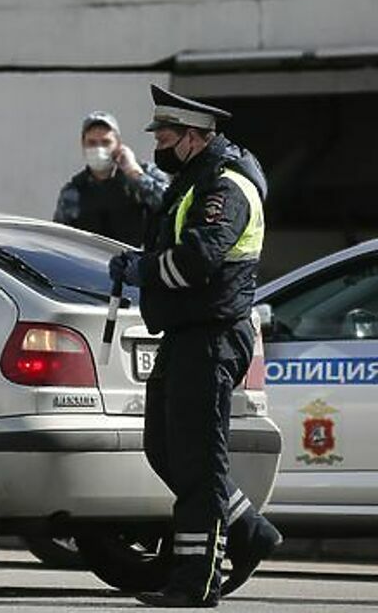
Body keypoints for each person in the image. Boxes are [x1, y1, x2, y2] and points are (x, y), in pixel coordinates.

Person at [109, 85, 281, 608]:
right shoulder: (193, 181)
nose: (158, 143)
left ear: (191, 137)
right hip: (184, 334)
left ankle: (195, 582)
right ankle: (248, 530)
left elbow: (196, 261)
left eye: (164, 135)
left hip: (211, 335)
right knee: (163, 449)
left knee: (199, 465)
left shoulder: (224, 189)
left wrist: (141, 269)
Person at [53, 110, 171, 246]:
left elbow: (170, 204)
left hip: (138, 262)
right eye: (92, 143)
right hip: (91, 263)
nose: (99, 148)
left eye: (106, 142)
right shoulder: (74, 191)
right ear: (83, 145)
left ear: (118, 145)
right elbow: (60, 241)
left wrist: (134, 173)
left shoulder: (144, 173)